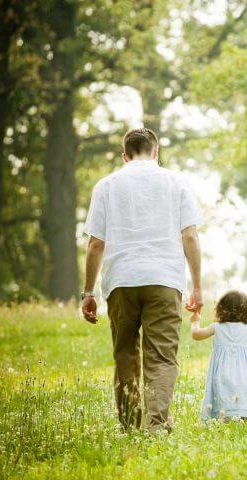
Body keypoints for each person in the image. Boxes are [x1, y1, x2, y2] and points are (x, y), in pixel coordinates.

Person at [80, 127, 204, 433]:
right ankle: (157, 425)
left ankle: (129, 425)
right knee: (161, 356)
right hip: (164, 279)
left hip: (121, 280)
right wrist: (197, 286)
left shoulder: (106, 186)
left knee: (125, 354)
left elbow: (96, 243)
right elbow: (189, 236)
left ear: (124, 155)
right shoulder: (176, 182)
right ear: (155, 151)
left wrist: (87, 292)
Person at [190, 290, 247, 423]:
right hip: (245, 374)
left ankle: (224, 420)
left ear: (220, 309)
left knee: (223, 395)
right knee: (244, 396)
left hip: (222, 373)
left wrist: (195, 320)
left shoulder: (216, 327)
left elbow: (196, 334)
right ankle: (244, 419)